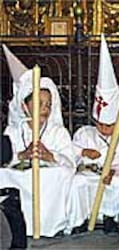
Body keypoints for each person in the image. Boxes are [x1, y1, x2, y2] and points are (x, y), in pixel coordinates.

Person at [0, 45, 75, 237]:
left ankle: (47, 226)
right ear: (25, 107)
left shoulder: (58, 132)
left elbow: (70, 162)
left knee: (56, 176)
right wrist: (22, 155)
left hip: (47, 178)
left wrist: (50, 156)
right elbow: (6, 157)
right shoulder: (14, 130)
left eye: (49, 104)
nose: (45, 109)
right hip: (19, 177)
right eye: (39, 104)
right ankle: (14, 225)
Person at [67, 35, 119, 234]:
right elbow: (71, 151)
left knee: (117, 183)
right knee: (78, 182)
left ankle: (111, 217)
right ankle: (79, 219)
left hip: (111, 174)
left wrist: (115, 170)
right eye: (100, 124)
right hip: (88, 173)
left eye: (110, 125)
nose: (104, 129)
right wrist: (83, 152)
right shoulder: (85, 133)